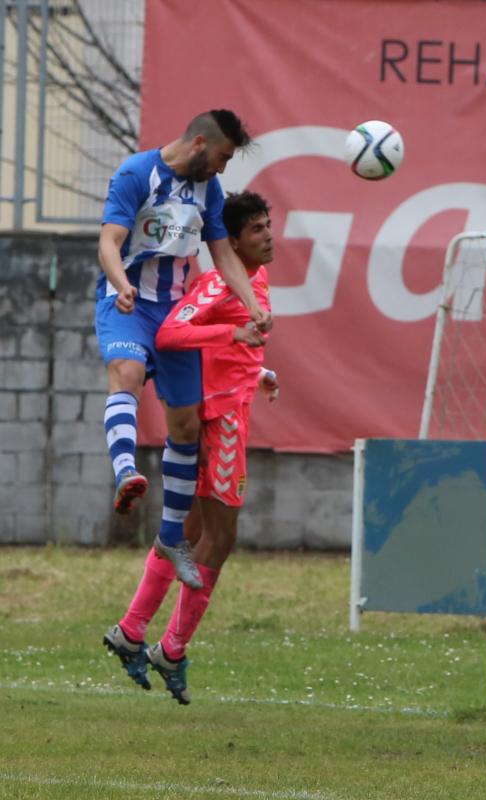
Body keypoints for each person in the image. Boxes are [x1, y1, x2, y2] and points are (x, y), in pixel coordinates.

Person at [103, 191, 279, 705]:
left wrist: (260, 370)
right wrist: (235, 332)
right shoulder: (222, 281)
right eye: (258, 230)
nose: (269, 235)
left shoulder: (252, 281)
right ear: (234, 241)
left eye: (269, 225)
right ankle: (171, 649)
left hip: (230, 410)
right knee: (219, 540)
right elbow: (174, 333)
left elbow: (234, 346)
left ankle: (133, 630)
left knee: (192, 534)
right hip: (218, 423)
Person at [95, 109, 272, 592]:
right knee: (127, 372)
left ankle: (172, 537)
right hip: (128, 303)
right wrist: (119, 283)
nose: (222, 170)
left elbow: (223, 254)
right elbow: (109, 242)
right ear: (198, 144)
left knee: (187, 424)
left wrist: (252, 304)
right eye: (221, 157)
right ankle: (127, 471)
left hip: (173, 312)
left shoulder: (208, 191)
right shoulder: (137, 173)